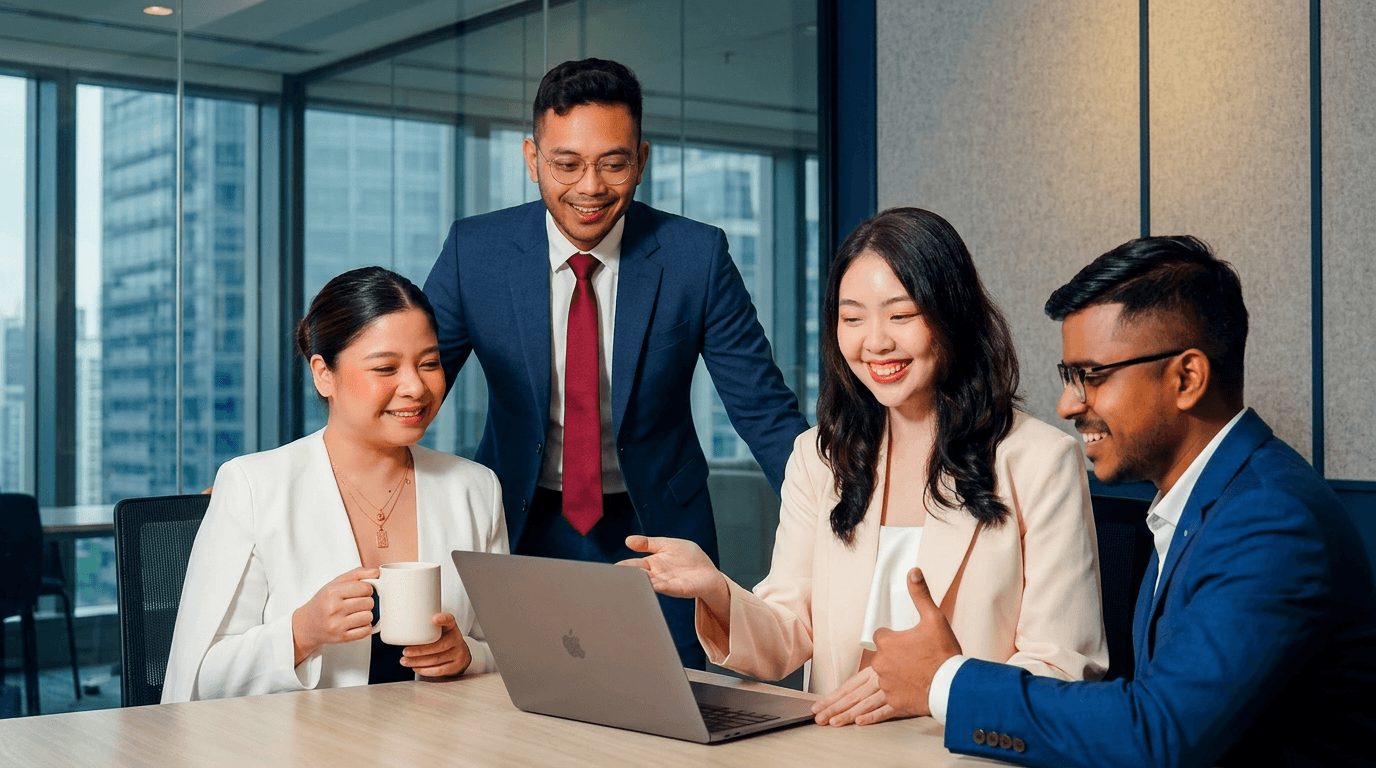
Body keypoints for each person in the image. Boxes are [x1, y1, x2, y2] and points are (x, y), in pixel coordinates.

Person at [864, 236, 1376, 767]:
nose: (1067, 404)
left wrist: (945, 679)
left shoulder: (1271, 521)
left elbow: (1157, 733)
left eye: (1092, 376)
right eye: (1070, 377)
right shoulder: (1203, 499)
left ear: (1187, 378)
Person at [620, 207, 1108, 724]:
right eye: (852, 318)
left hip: (961, 748)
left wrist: (944, 684)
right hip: (832, 747)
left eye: (901, 315)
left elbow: (1061, 666)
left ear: (953, 316)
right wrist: (716, 589)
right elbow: (788, 632)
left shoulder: (1040, 460)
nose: (875, 342)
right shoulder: (817, 456)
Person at [422, 58, 808, 668]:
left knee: (673, 708)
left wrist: (847, 515)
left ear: (642, 160)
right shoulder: (477, 251)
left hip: (657, 526)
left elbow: (763, 409)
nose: (589, 187)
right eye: (566, 163)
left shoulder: (694, 256)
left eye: (613, 163)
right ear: (532, 159)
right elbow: (412, 391)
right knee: (518, 707)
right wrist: (325, 481)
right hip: (521, 519)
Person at [162, 267, 508, 702]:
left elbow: (506, 652)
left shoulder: (474, 488)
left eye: (429, 363)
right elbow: (197, 681)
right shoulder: (253, 486)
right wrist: (302, 632)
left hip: (434, 745)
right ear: (323, 373)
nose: (416, 387)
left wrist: (466, 656)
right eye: (386, 368)